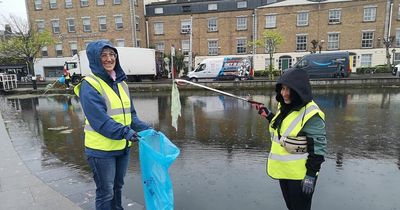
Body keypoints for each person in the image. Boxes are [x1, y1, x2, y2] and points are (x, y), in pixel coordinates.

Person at [74, 40, 151, 210]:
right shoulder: (90, 85)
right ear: (95, 59)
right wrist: (127, 132)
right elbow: (100, 121)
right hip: (101, 151)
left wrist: (148, 129)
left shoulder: (122, 84)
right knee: (105, 192)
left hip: (122, 147)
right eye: (103, 55)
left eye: (112, 54)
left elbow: (131, 116)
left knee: (118, 188)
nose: (109, 59)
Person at [256, 68, 327, 210]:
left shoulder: (312, 114)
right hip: (285, 171)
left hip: (301, 176)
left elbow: (318, 149)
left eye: (289, 90)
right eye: (282, 88)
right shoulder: (285, 105)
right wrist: (269, 115)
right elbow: (283, 129)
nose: (284, 94)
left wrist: (311, 175)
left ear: (300, 90)